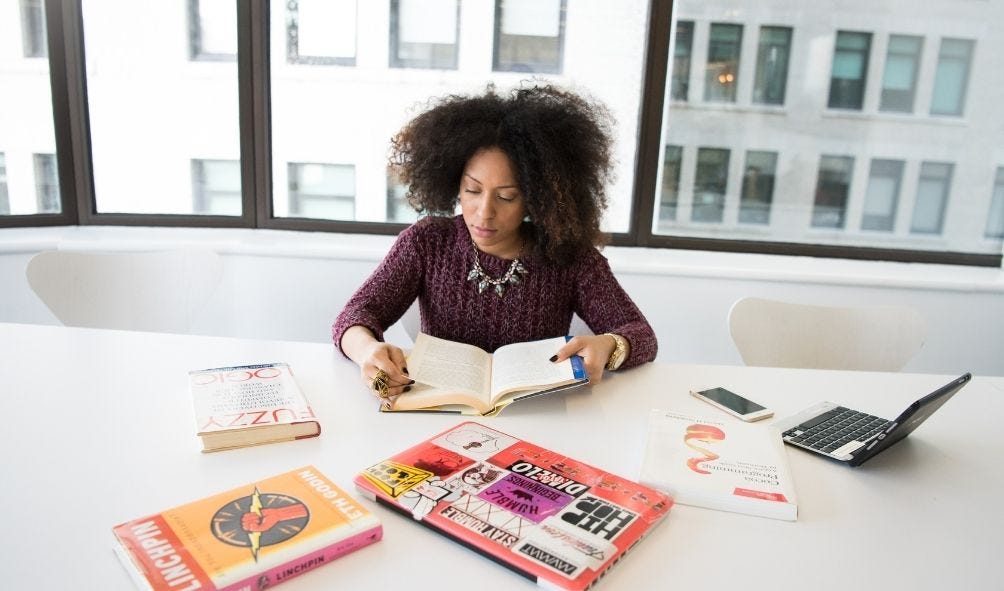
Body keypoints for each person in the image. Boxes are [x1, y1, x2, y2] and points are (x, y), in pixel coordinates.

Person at [333, 82, 657, 401]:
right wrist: (367, 351)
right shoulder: (427, 241)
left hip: (539, 414)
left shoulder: (568, 256)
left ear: (535, 199)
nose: (484, 212)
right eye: (473, 190)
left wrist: (610, 346)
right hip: (439, 409)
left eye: (507, 196)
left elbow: (641, 335)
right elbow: (355, 315)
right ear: (453, 184)